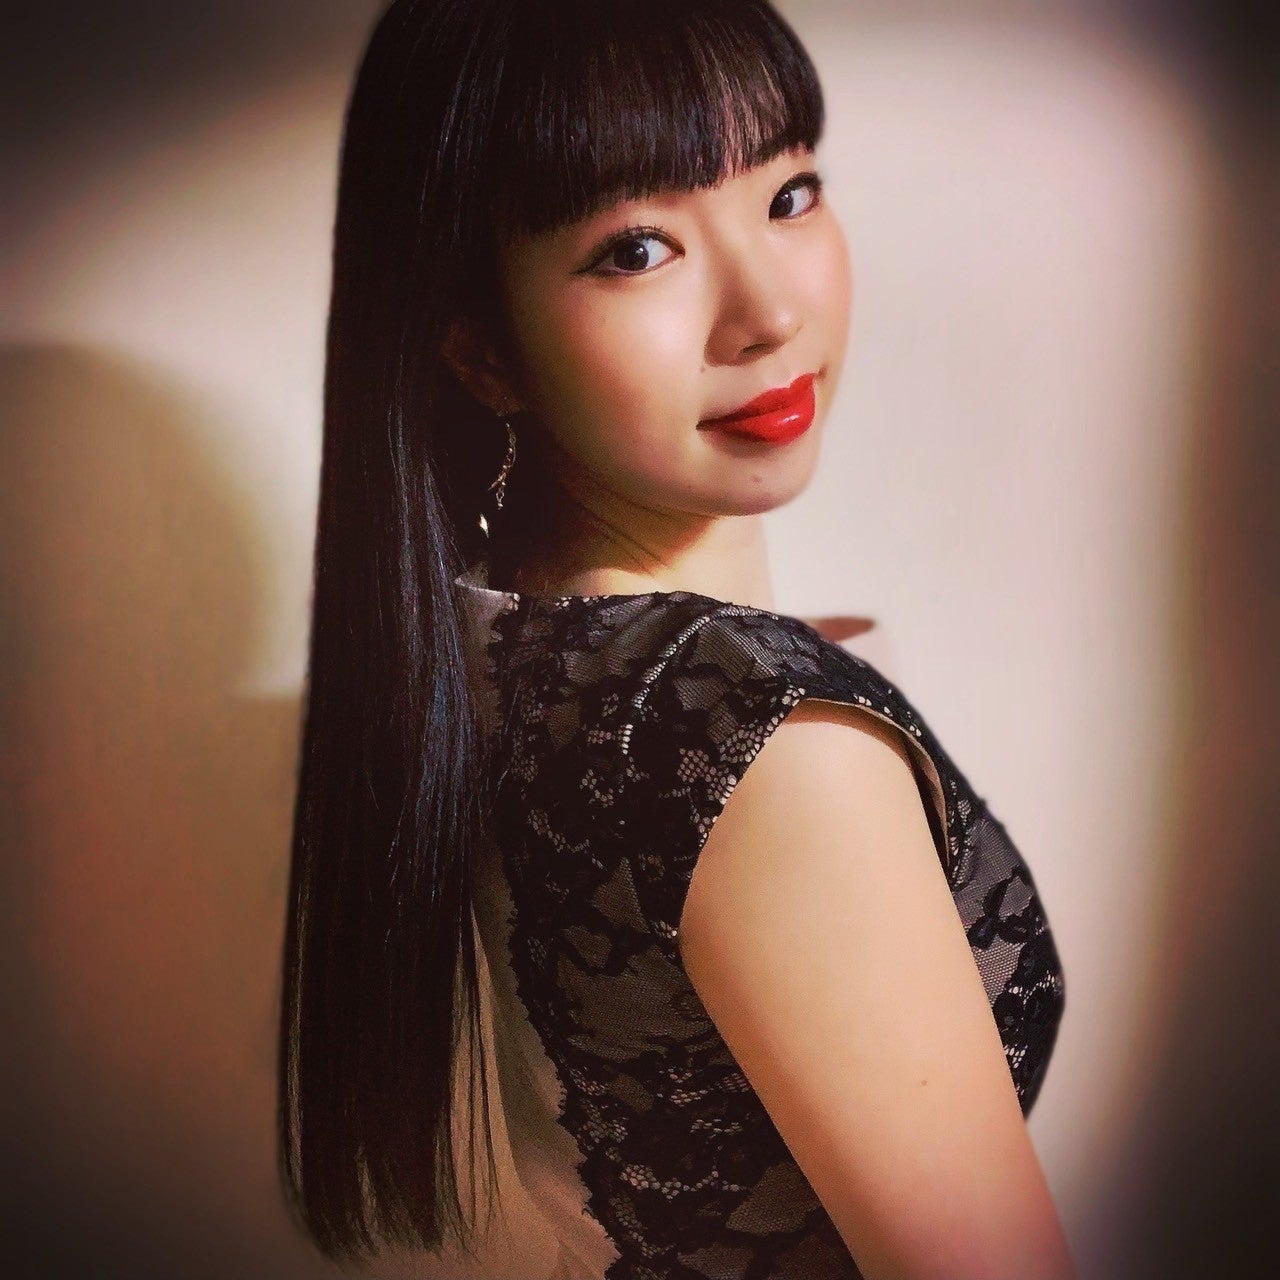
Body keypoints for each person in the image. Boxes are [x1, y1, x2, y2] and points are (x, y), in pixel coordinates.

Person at [276, 1, 1075, 1277]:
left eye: (788, 192)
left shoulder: (484, 641)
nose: (767, 311)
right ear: (482, 349)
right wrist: (796, 726)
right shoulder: (759, 747)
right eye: (636, 248)